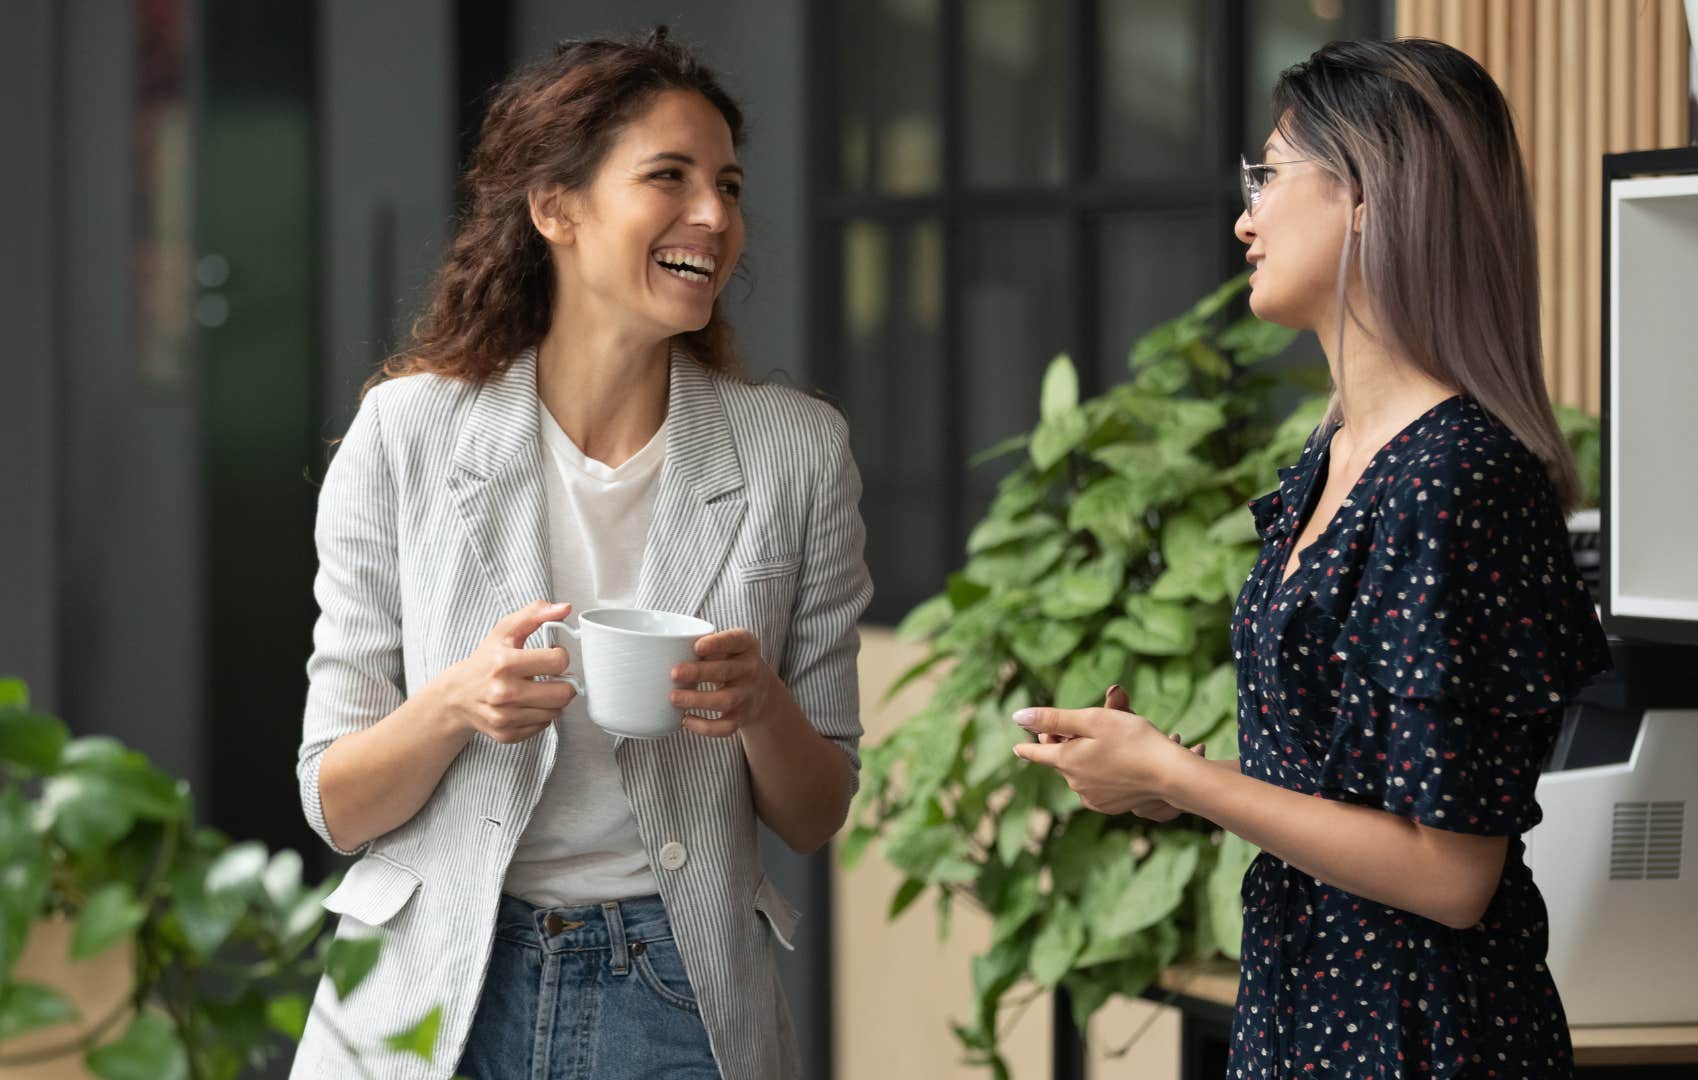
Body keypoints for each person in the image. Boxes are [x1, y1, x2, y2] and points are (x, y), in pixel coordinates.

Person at [1010, 38, 1611, 1079]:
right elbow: (1356, 796)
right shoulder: (1331, 459)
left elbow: (1450, 871)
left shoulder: (1456, 478)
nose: (1244, 217)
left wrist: (1183, 777)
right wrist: (1161, 781)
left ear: (1369, 196)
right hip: (1308, 1010)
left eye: (1270, 176)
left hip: (1423, 1037)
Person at [291, 31, 870, 1080]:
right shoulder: (406, 433)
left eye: (728, 186)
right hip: (432, 984)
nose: (715, 216)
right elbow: (334, 800)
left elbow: (817, 810)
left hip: (677, 990)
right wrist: (458, 704)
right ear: (555, 209)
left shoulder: (796, 451)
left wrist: (760, 704)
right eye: (669, 177)